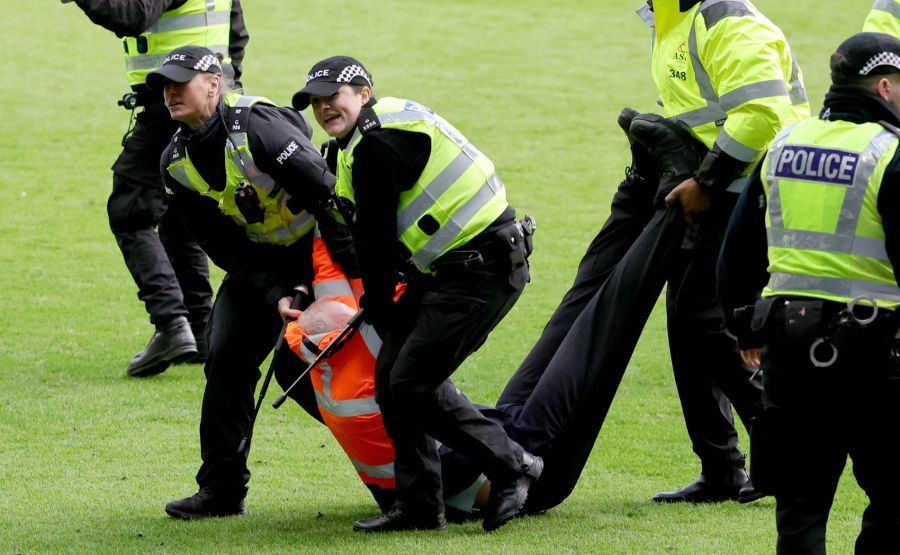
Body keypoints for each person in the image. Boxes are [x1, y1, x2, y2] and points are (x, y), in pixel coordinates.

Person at [499, 0, 811, 504]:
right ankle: (723, 468)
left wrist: (705, 181)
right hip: (723, 188)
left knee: (708, 323)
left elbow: (763, 112)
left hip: (750, 192)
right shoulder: (672, 19)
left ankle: (783, 451)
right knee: (689, 322)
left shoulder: (721, 17)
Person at [291, 56, 541, 532]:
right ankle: (421, 507)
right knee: (392, 380)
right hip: (450, 271)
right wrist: (382, 305)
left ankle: (513, 466)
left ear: (363, 93)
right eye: (316, 102)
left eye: (333, 97)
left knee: (410, 383)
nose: (324, 109)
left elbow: (376, 238)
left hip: (481, 270)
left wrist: (380, 305)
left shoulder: (377, 143)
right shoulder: (362, 139)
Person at [277, 227, 643, 522]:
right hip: (530, 473)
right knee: (597, 326)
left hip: (492, 441)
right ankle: (654, 214)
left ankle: (638, 205)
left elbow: (329, 266)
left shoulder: (307, 369)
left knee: (579, 318)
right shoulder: (377, 359)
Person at [144, 46, 348, 519]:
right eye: (164, 86)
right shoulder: (173, 164)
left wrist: (322, 276)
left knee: (304, 374)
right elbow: (224, 249)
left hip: (326, 252)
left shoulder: (258, 127)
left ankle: (407, 461)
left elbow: (330, 197)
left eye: (182, 82)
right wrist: (277, 292)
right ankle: (221, 489)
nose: (170, 92)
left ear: (213, 84)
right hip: (260, 266)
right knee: (226, 357)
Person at [718, 31, 900, 555]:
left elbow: (737, 250)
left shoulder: (784, 145)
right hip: (878, 357)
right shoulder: (889, 155)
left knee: (800, 507)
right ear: (885, 87)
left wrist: (742, 327)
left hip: (790, 351)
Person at [64, 0, 249, 377]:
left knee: (130, 213)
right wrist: (222, 89)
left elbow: (132, 15)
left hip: (173, 104)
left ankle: (170, 324)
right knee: (184, 217)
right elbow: (237, 33)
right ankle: (199, 329)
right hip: (209, 101)